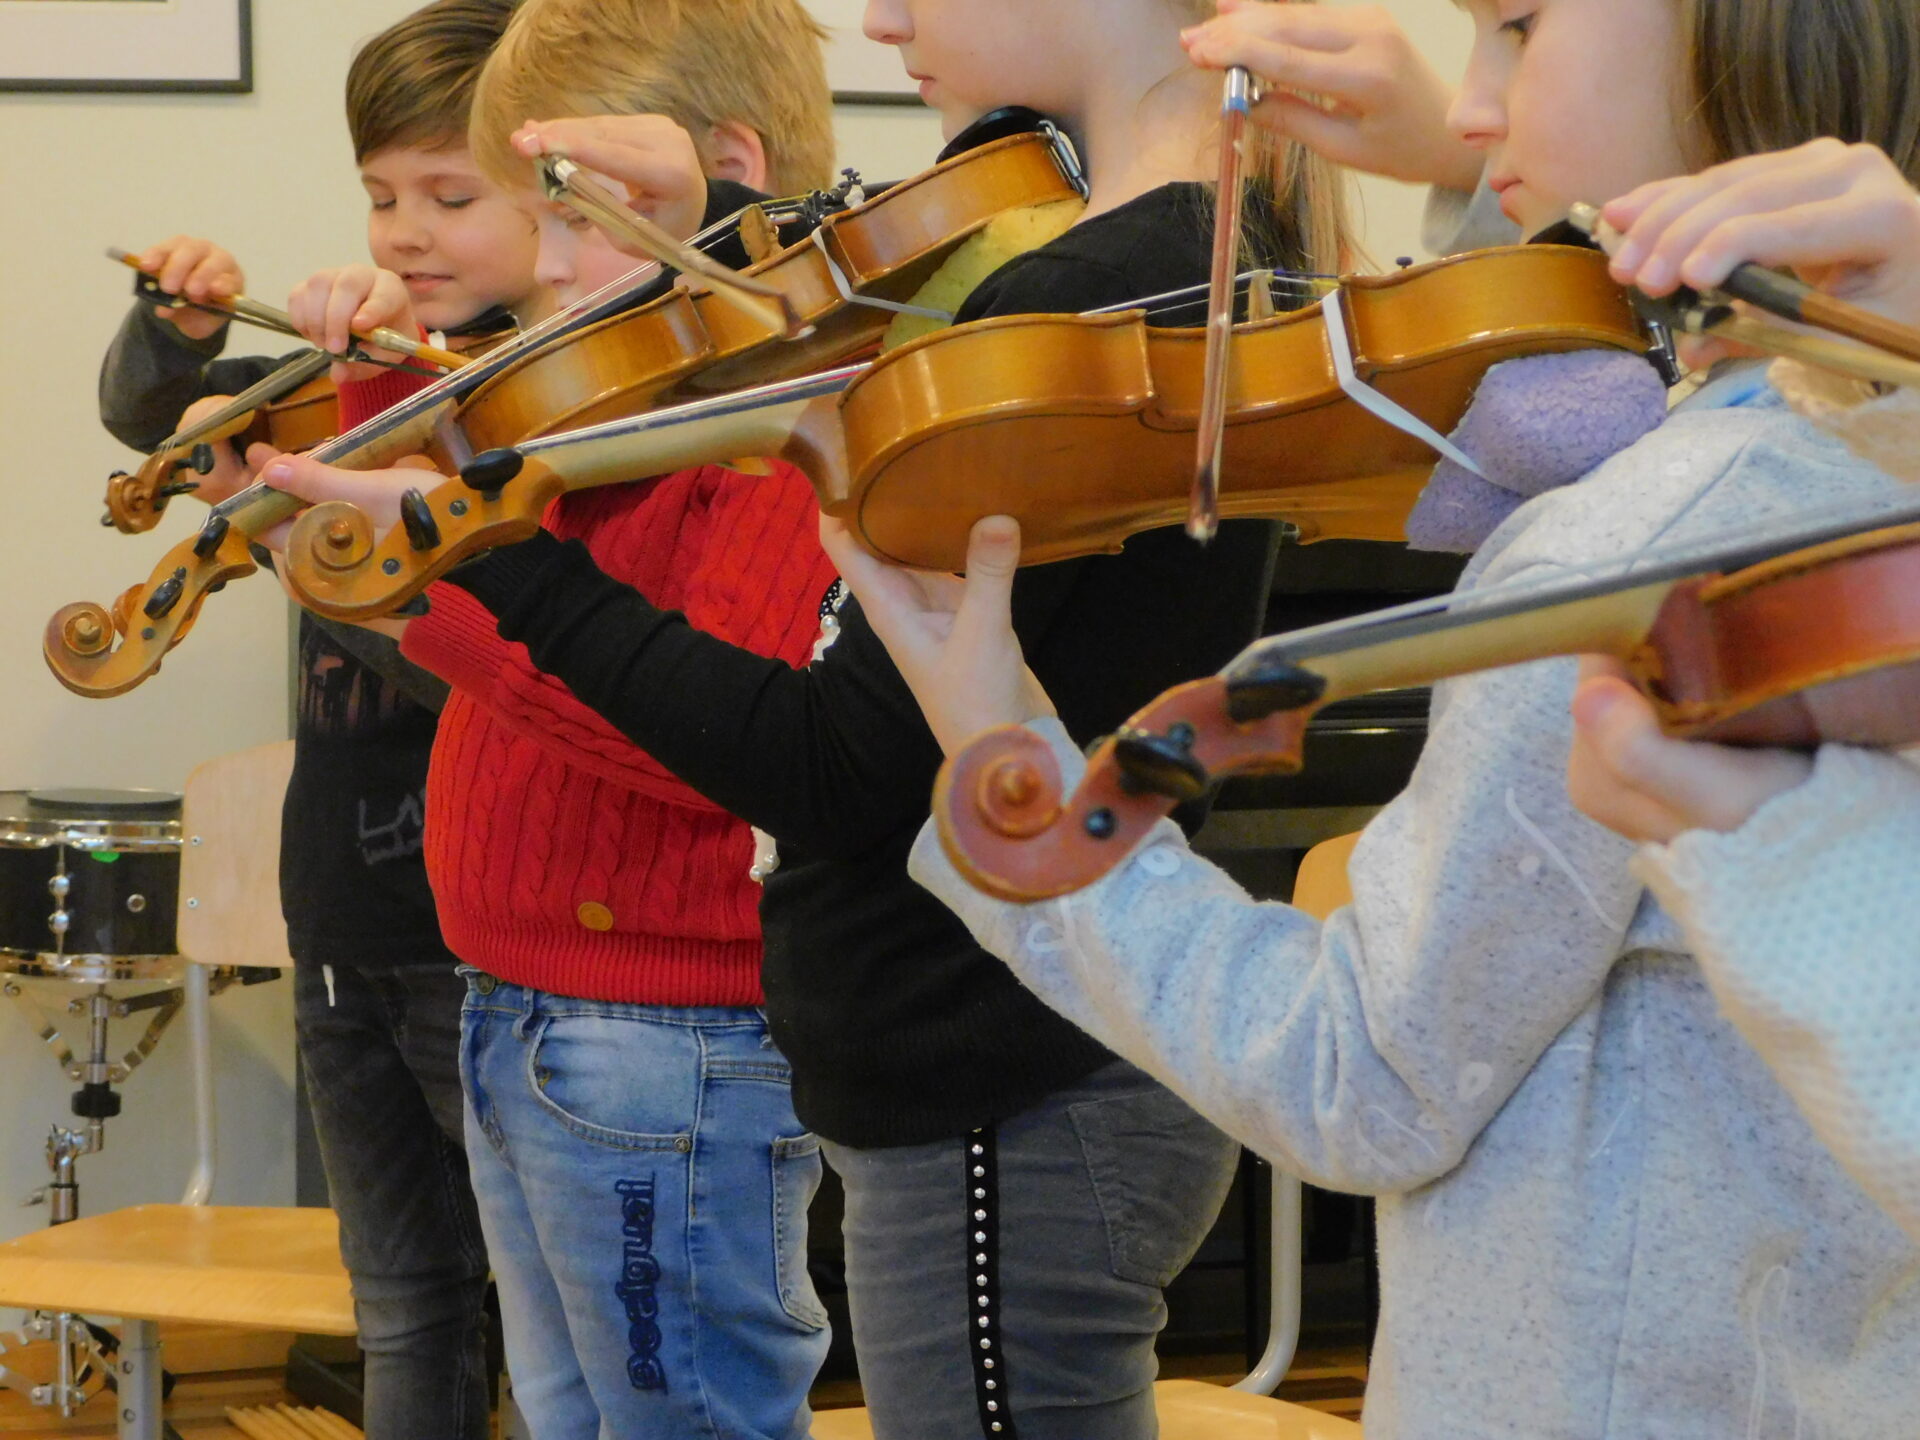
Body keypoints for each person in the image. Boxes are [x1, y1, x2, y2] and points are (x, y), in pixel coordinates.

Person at [829, 2, 1920, 1436]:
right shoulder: (1841, 460)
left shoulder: (1646, 541)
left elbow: (1358, 1078)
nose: (1470, 107)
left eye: (1518, 31)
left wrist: (1010, 767)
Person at [261, 0, 1351, 1433]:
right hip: (990, 1047)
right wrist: (716, 218)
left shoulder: (1090, 296)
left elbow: (837, 769)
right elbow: (860, 326)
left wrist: (505, 559)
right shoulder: (1093, 263)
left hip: (997, 1062)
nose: (883, 15)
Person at [275, 2, 841, 1435]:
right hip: (526, 1002)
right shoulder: (621, 404)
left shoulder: (774, 429)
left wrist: (445, 614)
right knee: (577, 1415)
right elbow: (490, 544)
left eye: (574, 221)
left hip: (664, 1033)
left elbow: (700, 740)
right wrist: (377, 391)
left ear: (725, 166)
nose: (543, 268)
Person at [95, 4, 541, 1438]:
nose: (405, 232)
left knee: (536, 1301)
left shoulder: (526, 404)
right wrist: (178, 329)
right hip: (342, 907)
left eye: (450, 196)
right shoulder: (349, 382)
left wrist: (307, 558)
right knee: (399, 1298)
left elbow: (484, 664)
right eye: (380, 196)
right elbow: (154, 420)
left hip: (485, 927)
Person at [1562, 141, 1920, 1246]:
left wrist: (1811, 866)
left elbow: (1378, 1088)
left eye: (1521, 29)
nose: (1468, 115)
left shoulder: (1666, 513)